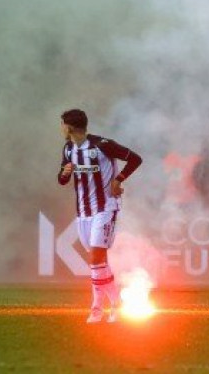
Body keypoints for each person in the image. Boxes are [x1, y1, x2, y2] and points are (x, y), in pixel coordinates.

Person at [59, 108, 143, 323]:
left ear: (68, 127)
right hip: (83, 212)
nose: (60, 129)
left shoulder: (102, 145)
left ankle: (97, 308)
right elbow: (62, 179)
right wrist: (64, 174)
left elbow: (135, 159)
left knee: (95, 257)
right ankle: (116, 304)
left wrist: (118, 179)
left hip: (105, 207)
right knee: (98, 262)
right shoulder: (69, 149)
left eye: (62, 125)